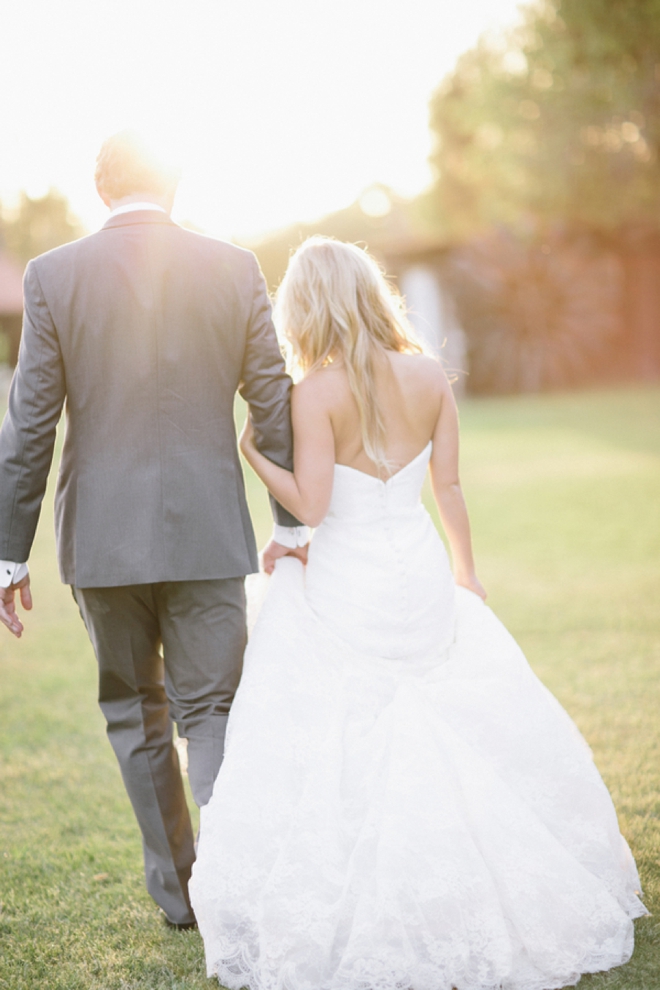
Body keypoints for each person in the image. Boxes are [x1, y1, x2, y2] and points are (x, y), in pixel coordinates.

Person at [190, 237, 646, 990]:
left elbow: (313, 505)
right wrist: (466, 572)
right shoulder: (430, 375)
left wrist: (252, 454)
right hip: (420, 566)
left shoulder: (316, 393)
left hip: (351, 577)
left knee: (333, 691)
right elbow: (451, 487)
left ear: (306, 309)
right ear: (372, 294)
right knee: (439, 699)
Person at [0, 130, 308, 929]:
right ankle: (241, 884)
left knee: (136, 712)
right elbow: (272, 398)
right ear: (175, 185)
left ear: (100, 189)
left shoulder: (53, 275)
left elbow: (29, 425)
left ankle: (181, 898)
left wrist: (6, 554)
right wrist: (294, 523)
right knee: (213, 709)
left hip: (100, 542)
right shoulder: (234, 267)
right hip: (210, 531)